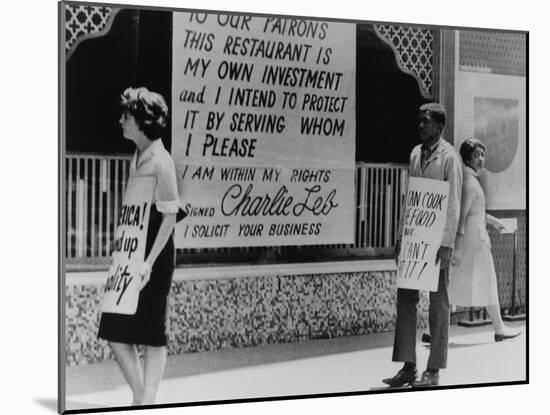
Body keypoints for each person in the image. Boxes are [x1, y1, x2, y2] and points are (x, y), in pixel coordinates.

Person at [98, 87, 180, 405]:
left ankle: (147, 400)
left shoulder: (162, 161)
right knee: (115, 329)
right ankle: (139, 393)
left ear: (143, 121)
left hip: (154, 257)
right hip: (132, 255)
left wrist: (148, 262)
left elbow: (169, 218)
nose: (121, 121)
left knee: (152, 331)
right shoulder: (138, 156)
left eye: (126, 116)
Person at [383, 102, 463, 388]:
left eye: (426, 121)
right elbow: (412, 199)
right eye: (419, 121)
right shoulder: (415, 153)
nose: (420, 126)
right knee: (406, 299)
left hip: (437, 241)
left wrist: (446, 243)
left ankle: (434, 368)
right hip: (415, 240)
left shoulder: (449, 158)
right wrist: (401, 237)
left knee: (438, 303)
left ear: (440, 127)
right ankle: (408, 366)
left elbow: (453, 204)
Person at [448, 138, 521, 341]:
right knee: (487, 282)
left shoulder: (469, 181)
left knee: (454, 284)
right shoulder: (470, 183)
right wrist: (458, 246)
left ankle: (433, 330)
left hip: (472, 241)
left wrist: (494, 221)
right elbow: (461, 217)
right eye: (476, 155)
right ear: (467, 158)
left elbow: (475, 212)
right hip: (473, 242)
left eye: (482, 154)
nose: (481, 159)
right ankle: (499, 329)